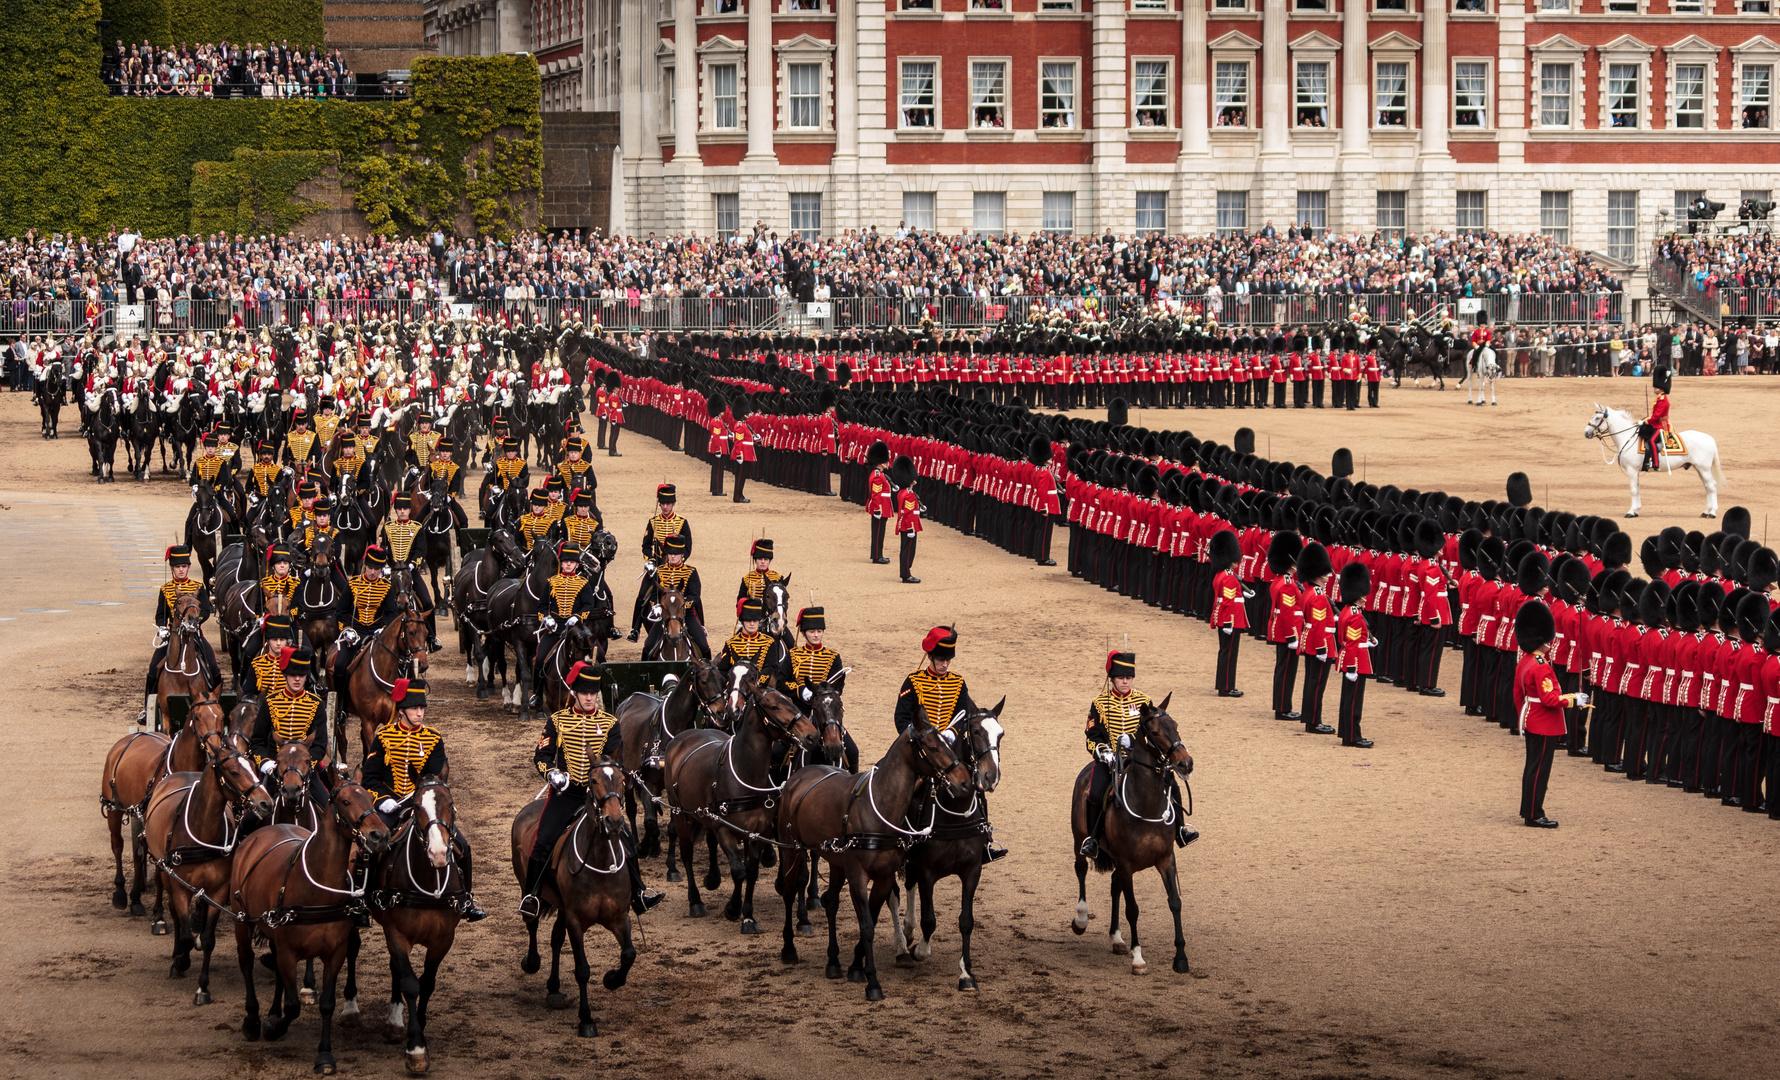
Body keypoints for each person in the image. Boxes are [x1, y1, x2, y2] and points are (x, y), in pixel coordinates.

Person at [520, 663, 664, 918]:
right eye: (584, 693)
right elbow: (542, 754)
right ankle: (531, 895)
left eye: (593, 693)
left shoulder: (610, 723)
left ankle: (639, 893)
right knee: (542, 840)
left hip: (598, 796)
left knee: (627, 838)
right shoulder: (558, 721)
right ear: (574, 693)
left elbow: (612, 760)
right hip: (567, 794)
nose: (589, 697)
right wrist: (552, 773)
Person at [357, 678, 486, 920]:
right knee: (370, 847)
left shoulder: (433, 738)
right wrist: (382, 799)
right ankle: (364, 901)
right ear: (402, 710)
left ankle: (465, 899)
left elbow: (435, 779)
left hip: (425, 805)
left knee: (463, 846)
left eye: (422, 708)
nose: (419, 713)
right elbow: (369, 779)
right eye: (415, 708)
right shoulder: (383, 738)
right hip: (391, 805)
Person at [892, 627, 1006, 861]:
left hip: (950, 748)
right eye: (941, 659)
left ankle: (983, 839)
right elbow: (902, 719)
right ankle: (898, 837)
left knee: (976, 783)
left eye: (948, 660)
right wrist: (923, 741)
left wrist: (953, 733)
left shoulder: (958, 682)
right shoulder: (913, 681)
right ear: (931, 657)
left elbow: (963, 714)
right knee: (903, 787)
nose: (945, 664)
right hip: (921, 749)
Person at [1079, 651, 1198, 858]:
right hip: (1112, 761)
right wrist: (1105, 752)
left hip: (1141, 759)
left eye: (1128, 678)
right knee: (1096, 793)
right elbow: (1092, 735)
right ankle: (1094, 839)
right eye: (1120, 678)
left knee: (1172, 784)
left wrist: (1136, 744)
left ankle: (1180, 830)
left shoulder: (1144, 700)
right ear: (1112, 679)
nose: (1125, 682)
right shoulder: (1100, 703)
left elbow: (1155, 733)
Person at [1513, 600, 1588, 827]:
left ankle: (1530, 810)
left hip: (1531, 719)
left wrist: (1524, 717)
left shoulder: (1525, 661)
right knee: (1540, 770)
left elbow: (1518, 695)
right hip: (1543, 723)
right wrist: (1574, 699)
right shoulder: (1541, 665)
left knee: (1532, 767)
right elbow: (1550, 699)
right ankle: (1535, 814)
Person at [137, 545, 220, 726]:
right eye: (177, 567)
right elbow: (161, 614)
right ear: (172, 568)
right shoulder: (165, 589)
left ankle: (215, 702)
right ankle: (147, 709)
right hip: (172, 636)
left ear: (189, 567)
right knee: (153, 668)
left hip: (194, 635)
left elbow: (206, 610)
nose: (181, 569)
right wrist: (161, 627)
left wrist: (195, 621)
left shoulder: (198, 587)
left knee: (213, 666)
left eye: (184, 566)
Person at [247, 646, 331, 806]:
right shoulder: (270, 702)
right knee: (250, 818)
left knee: (328, 808)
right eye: (293, 675)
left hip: (305, 768)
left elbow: (320, 745)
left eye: (302, 675)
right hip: (275, 767)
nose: (297, 679)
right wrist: (264, 762)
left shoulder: (316, 704)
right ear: (285, 675)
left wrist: (305, 765)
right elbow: (257, 741)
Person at [776, 607, 856, 769]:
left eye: (819, 631)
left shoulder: (833, 657)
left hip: (826, 712)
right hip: (799, 711)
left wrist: (821, 695)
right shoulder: (793, 655)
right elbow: (781, 683)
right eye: (812, 631)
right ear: (804, 633)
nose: (816, 635)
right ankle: (776, 791)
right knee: (777, 752)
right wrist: (800, 691)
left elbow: (838, 689)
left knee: (853, 752)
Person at [529, 543, 597, 710]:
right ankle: (537, 695)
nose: (568, 564)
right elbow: (542, 605)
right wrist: (546, 619)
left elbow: (589, 605)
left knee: (598, 655)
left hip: (577, 629)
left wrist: (578, 617)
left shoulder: (583, 583)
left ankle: (601, 692)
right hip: (556, 628)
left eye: (572, 562)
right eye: (565, 561)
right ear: (561, 563)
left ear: (577, 565)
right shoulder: (551, 582)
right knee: (539, 660)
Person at [629, 484, 693, 641]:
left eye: (668, 504)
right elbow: (646, 545)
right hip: (656, 568)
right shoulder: (653, 522)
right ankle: (635, 629)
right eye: (662, 504)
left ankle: (699, 627)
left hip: (676, 567)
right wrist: (650, 561)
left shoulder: (682, 522)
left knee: (693, 597)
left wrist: (677, 561)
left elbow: (688, 548)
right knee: (641, 596)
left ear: (673, 504)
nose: (665, 507)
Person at [380, 494, 441, 652]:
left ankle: (432, 638)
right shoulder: (387, 528)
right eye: (399, 509)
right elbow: (382, 549)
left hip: (410, 572)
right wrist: (384, 565)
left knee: (427, 603)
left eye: (405, 509)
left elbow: (421, 549)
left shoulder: (417, 528)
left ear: (409, 510)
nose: (402, 512)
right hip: (391, 573)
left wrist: (414, 564)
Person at [333, 546, 400, 687]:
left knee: (399, 663)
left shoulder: (387, 587)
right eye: (370, 568)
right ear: (364, 566)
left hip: (377, 633)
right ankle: (341, 704)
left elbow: (392, 613)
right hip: (355, 632)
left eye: (376, 569)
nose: (372, 572)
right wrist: (346, 630)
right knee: (339, 665)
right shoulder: (353, 584)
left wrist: (384, 629)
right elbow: (341, 612)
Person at [638, 533, 709, 657]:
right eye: (670, 553)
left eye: (676, 553)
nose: (672, 556)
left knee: (703, 646)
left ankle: (709, 673)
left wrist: (680, 606)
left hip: (686, 614)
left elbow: (695, 595)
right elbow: (654, 594)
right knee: (648, 646)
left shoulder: (691, 571)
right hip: (665, 615)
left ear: (682, 554)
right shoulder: (659, 571)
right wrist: (657, 606)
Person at [1334, 561, 1376, 748]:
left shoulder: (1347, 611)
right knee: (1353, 701)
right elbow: (1352, 643)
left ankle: (1346, 732)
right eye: (1362, 596)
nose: (1364, 599)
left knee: (1348, 698)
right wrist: (1352, 668)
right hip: (1356, 661)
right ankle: (1353, 736)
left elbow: (1354, 638)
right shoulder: (1355, 615)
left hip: (1353, 657)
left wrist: (1369, 640)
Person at [1296, 541, 1337, 734]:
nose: (1328, 578)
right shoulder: (1319, 595)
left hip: (1310, 641)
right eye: (1325, 574)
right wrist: (1322, 649)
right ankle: (1314, 721)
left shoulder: (1309, 591)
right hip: (1319, 643)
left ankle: (1310, 719)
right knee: (1317, 683)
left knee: (1312, 681)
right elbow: (1320, 625)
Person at [1208, 529, 1248, 697]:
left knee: (1226, 652)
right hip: (1230, 620)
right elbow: (1228, 603)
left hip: (1225, 618)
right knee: (1229, 654)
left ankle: (1224, 684)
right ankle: (1226, 687)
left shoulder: (1221, 574)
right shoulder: (1229, 577)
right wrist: (1229, 623)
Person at [892, 454, 923, 584]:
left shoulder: (903, 492)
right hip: (909, 525)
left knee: (905, 549)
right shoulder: (909, 495)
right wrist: (911, 528)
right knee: (908, 550)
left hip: (904, 524)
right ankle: (906, 574)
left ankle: (905, 572)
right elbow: (909, 513)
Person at [865, 440, 893, 565]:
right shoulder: (877, 475)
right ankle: (877, 556)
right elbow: (876, 494)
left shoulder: (880, 474)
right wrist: (877, 509)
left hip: (883, 506)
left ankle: (878, 554)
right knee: (878, 532)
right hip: (880, 507)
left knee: (880, 531)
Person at [1642, 366, 1673, 471]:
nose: (1654, 388)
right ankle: (1645, 462)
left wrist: (1647, 420)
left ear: (1661, 387)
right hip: (1656, 424)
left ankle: (1655, 463)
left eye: (1656, 386)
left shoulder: (1663, 400)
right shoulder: (1659, 399)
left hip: (1661, 426)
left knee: (1651, 441)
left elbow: (1656, 416)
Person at [737, 539, 783, 604]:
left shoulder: (777, 578)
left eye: (766, 559)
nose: (763, 562)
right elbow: (740, 602)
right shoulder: (747, 578)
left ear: (769, 561)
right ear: (755, 560)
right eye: (760, 559)